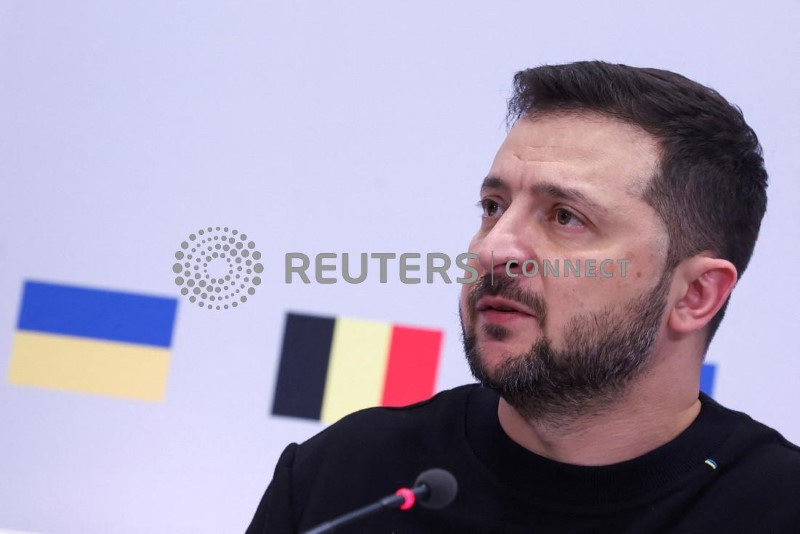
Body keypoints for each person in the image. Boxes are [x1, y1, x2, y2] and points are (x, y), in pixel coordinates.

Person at [246, 61, 800, 533]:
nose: (494, 249)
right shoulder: (345, 478)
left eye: (565, 217)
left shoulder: (776, 508)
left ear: (695, 294)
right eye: (493, 207)